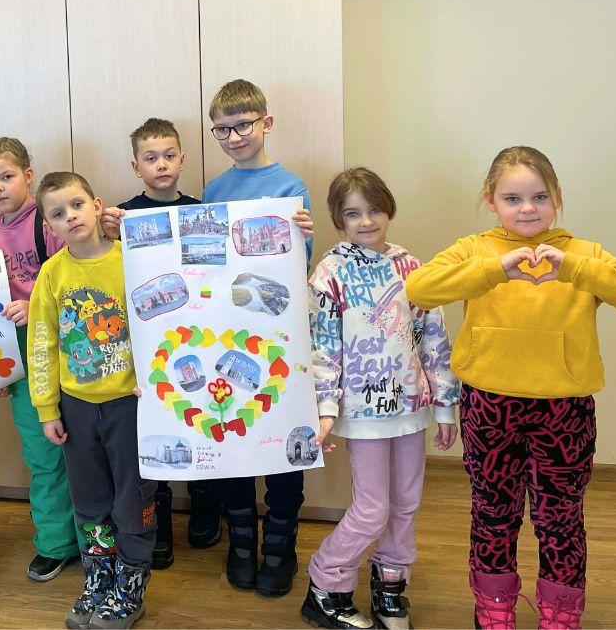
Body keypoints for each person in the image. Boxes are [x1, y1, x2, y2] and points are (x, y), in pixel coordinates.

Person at [405, 146, 616, 629]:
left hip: (565, 410)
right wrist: (495, 269)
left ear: (557, 196)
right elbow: (420, 289)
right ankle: (494, 608)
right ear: (491, 201)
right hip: (489, 406)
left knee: (561, 517)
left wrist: (576, 269)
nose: (528, 209)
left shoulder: (586, 255)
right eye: (512, 198)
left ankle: (561, 613)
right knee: (493, 511)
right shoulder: (475, 250)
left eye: (540, 197)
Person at [300, 168, 459, 629]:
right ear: (339, 219)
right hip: (361, 412)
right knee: (371, 509)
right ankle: (326, 583)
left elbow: (434, 338)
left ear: (388, 210)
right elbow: (322, 346)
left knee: (406, 502)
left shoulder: (413, 268)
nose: (366, 221)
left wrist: (445, 405)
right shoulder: (329, 272)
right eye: (353, 213)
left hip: (411, 409)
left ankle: (391, 583)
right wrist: (325, 409)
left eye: (374, 210)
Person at [202, 78, 315, 596]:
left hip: (279, 337)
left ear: (265, 123)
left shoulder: (291, 188)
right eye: (222, 129)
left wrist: (302, 236)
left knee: (283, 440)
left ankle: (280, 545)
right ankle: (242, 541)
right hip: (227, 335)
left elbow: (296, 271)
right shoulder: (214, 190)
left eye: (243, 125)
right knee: (236, 437)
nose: (233, 137)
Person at [29, 171, 155, 629]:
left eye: (77, 205)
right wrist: (47, 409)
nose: (71, 216)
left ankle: (130, 588)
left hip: (129, 406)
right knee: (89, 500)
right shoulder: (52, 273)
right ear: (49, 226)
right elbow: (42, 344)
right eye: (58, 213)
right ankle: (99, 579)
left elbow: (159, 324)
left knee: (133, 500)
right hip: (76, 409)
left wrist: (155, 383)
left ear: (98, 205)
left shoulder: (131, 260)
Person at [100, 117, 215, 569]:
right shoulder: (123, 216)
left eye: (169, 156)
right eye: (151, 158)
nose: (161, 164)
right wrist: (109, 232)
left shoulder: (200, 210)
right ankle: (159, 515)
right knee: (156, 424)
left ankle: (205, 505)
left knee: (199, 416)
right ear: (136, 166)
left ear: (182, 160)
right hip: (146, 342)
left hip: (198, 334)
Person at [0, 137, 83, 581]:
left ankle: (97, 540)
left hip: (71, 345)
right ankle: (56, 542)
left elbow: (77, 280)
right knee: (42, 453)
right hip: (20, 351)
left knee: (86, 450)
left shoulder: (51, 219)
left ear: (29, 176)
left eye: (7, 176)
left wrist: (34, 305)